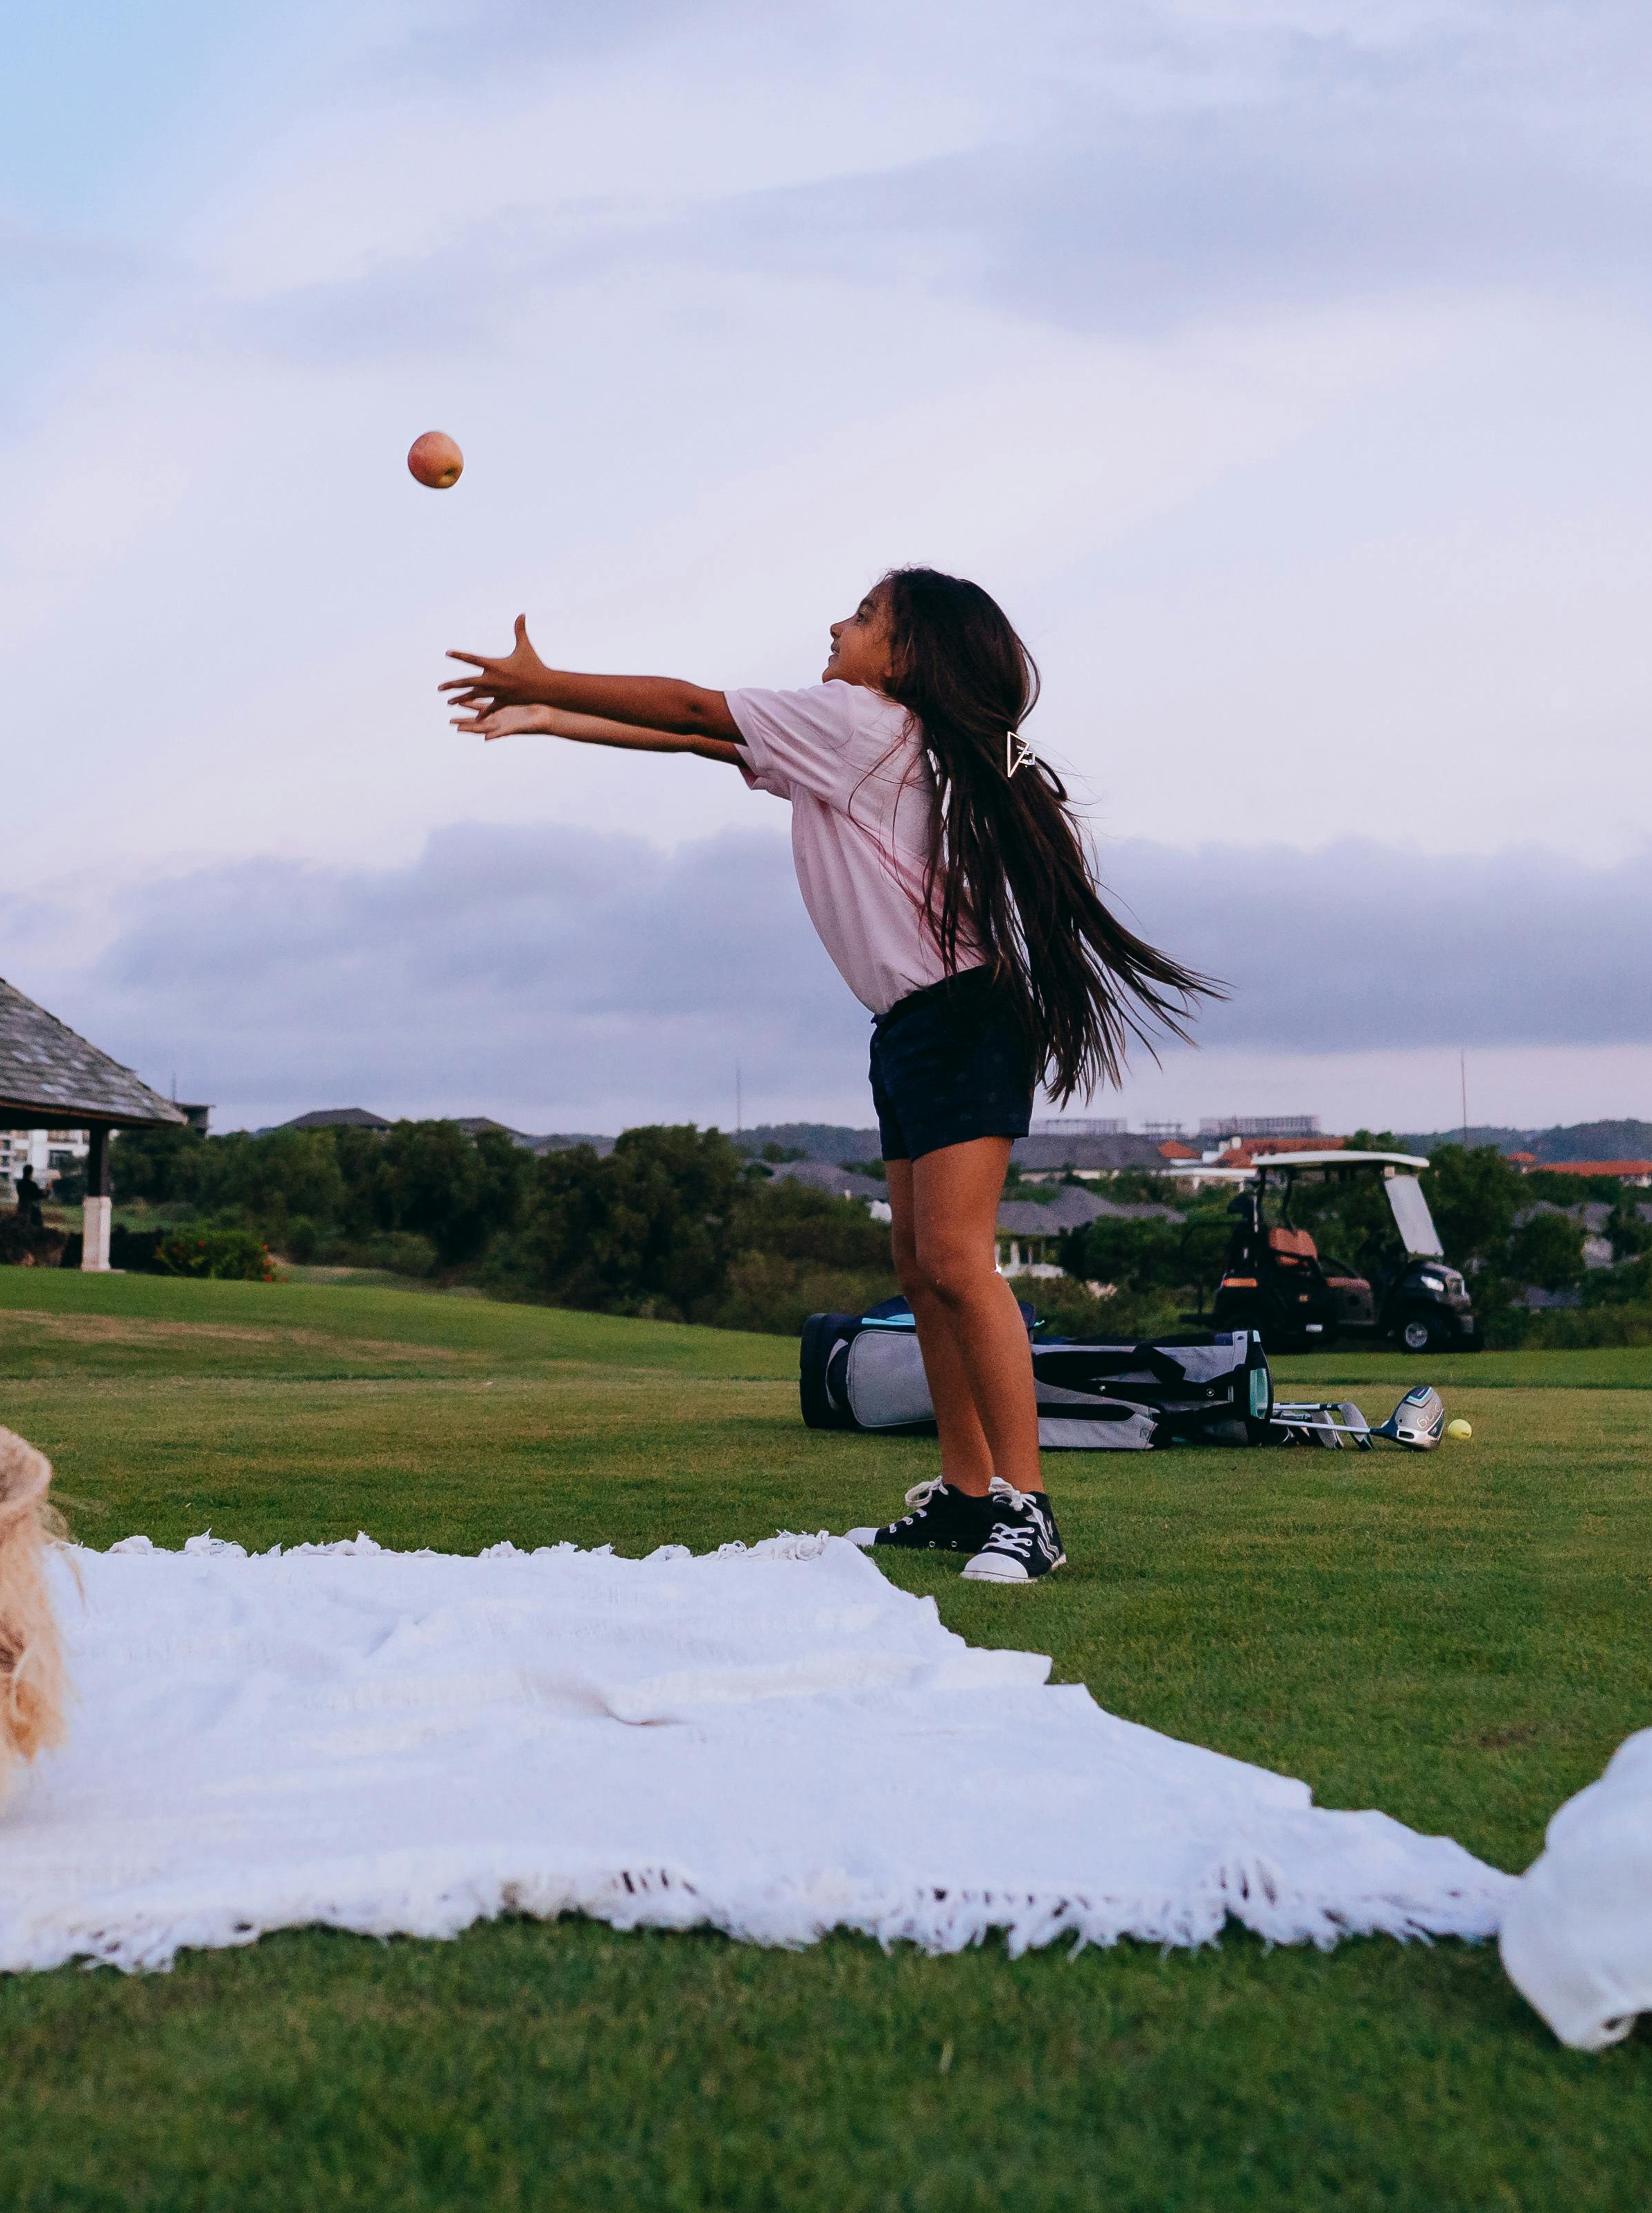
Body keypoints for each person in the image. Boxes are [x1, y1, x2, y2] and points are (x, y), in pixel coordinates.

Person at [441, 569, 1215, 1584]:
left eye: (861, 617)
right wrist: (554, 717)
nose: (838, 627)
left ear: (900, 659)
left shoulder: (860, 725)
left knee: (955, 1261)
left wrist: (554, 677)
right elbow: (699, 738)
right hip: (911, 1028)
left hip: (959, 1024)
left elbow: (689, 704)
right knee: (918, 1267)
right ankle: (966, 1496)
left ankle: (1030, 1510)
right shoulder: (862, 741)